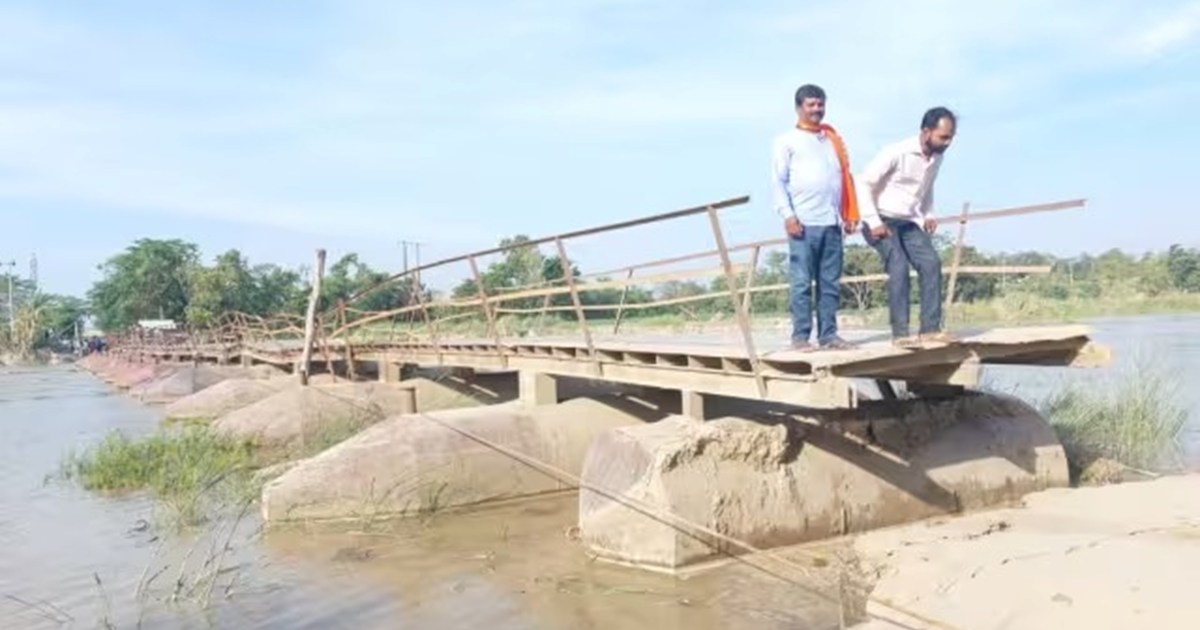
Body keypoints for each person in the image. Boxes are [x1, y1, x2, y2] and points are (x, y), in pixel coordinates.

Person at [857, 106, 958, 348]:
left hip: (909, 221)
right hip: (880, 219)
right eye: (943, 137)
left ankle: (930, 330)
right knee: (899, 265)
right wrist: (873, 221)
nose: (947, 142)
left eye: (951, 137)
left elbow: (926, 186)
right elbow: (863, 183)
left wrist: (927, 214)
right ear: (926, 132)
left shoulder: (937, 157)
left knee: (931, 263)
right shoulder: (896, 152)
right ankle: (901, 334)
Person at [771, 84, 860, 352]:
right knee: (801, 283)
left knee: (830, 283)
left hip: (832, 222)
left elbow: (842, 178)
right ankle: (800, 337)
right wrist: (788, 215)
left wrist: (847, 214)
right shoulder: (786, 141)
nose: (816, 110)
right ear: (799, 108)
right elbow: (777, 181)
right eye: (811, 105)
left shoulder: (830, 139)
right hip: (803, 223)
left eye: (820, 104)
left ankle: (829, 335)